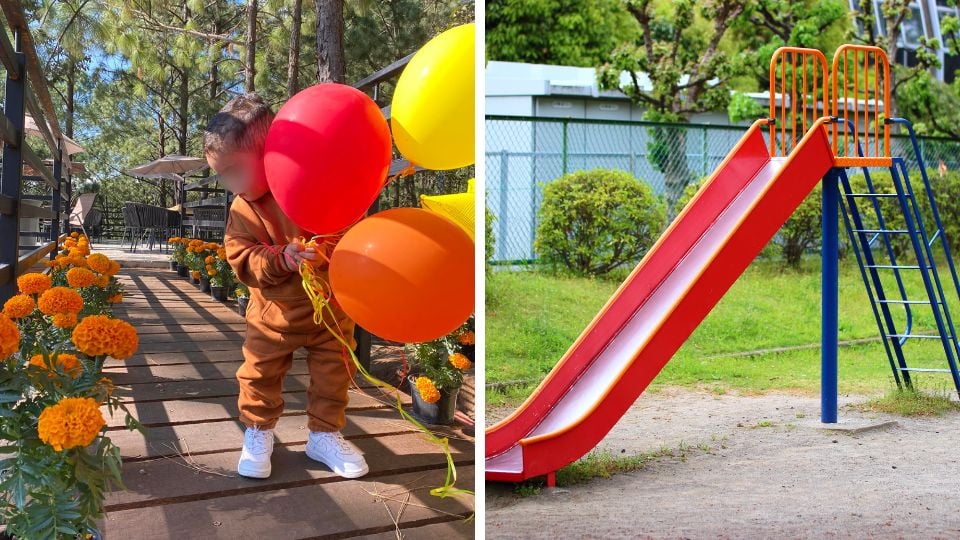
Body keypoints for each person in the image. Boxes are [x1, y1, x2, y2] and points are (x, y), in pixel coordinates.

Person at [204, 93, 368, 479]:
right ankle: (259, 431)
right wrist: (280, 258)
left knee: (335, 371)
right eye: (222, 175)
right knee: (260, 373)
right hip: (272, 315)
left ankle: (324, 434)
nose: (230, 185)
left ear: (271, 154)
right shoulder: (243, 209)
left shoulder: (316, 179)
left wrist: (326, 251)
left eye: (234, 171)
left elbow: (347, 229)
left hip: (330, 308)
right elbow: (240, 258)